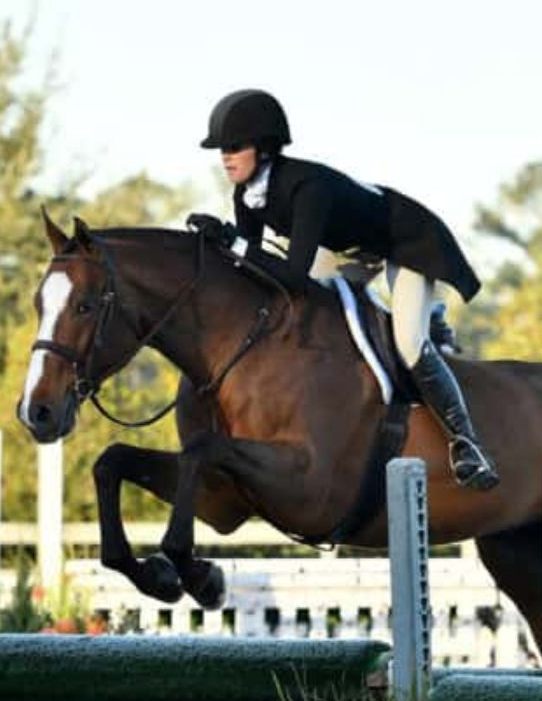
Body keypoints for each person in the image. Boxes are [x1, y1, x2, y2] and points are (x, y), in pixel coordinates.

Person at [186, 88, 498, 490]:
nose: (224, 156)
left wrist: (234, 242)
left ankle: (466, 441)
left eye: (233, 147)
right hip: (350, 249)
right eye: (221, 149)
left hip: (404, 241)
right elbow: (255, 268)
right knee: (313, 314)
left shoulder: (305, 187)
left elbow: (293, 274)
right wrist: (218, 248)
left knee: (407, 342)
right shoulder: (248, 194)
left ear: (262, 149)